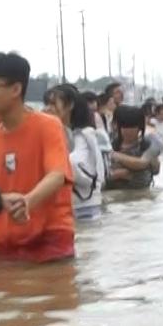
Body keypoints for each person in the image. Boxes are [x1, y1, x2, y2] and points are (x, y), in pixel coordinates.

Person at [0, 52, 75, 262]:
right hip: (10, 240)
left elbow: (57, 176)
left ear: (16, 89)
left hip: (51, 238)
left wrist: (28, 202)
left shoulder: (48, 125)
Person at [44, 84, 104, 222]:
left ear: (70, 105)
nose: (48, 109)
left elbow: (79, 167)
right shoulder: (61, 132)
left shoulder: (85, 135)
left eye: (53, 104)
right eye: (47, 104)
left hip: (85, 208)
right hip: (69, 207)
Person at [105, 105, 163, 190]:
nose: (129, 131)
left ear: (140, 126)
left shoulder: (149, 143)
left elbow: (147, 168)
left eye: (133, 126)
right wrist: (117, 174)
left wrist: (115, 156)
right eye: (125, 126)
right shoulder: (108, 144)